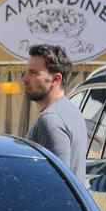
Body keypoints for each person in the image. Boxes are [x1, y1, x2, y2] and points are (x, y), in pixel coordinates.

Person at [22, 44, 87, 181]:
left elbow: (57, 183)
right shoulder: (70, 111)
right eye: (26, 72)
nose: (25, 78)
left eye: (33, 73)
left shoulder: (51, 119)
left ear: (56, 79)